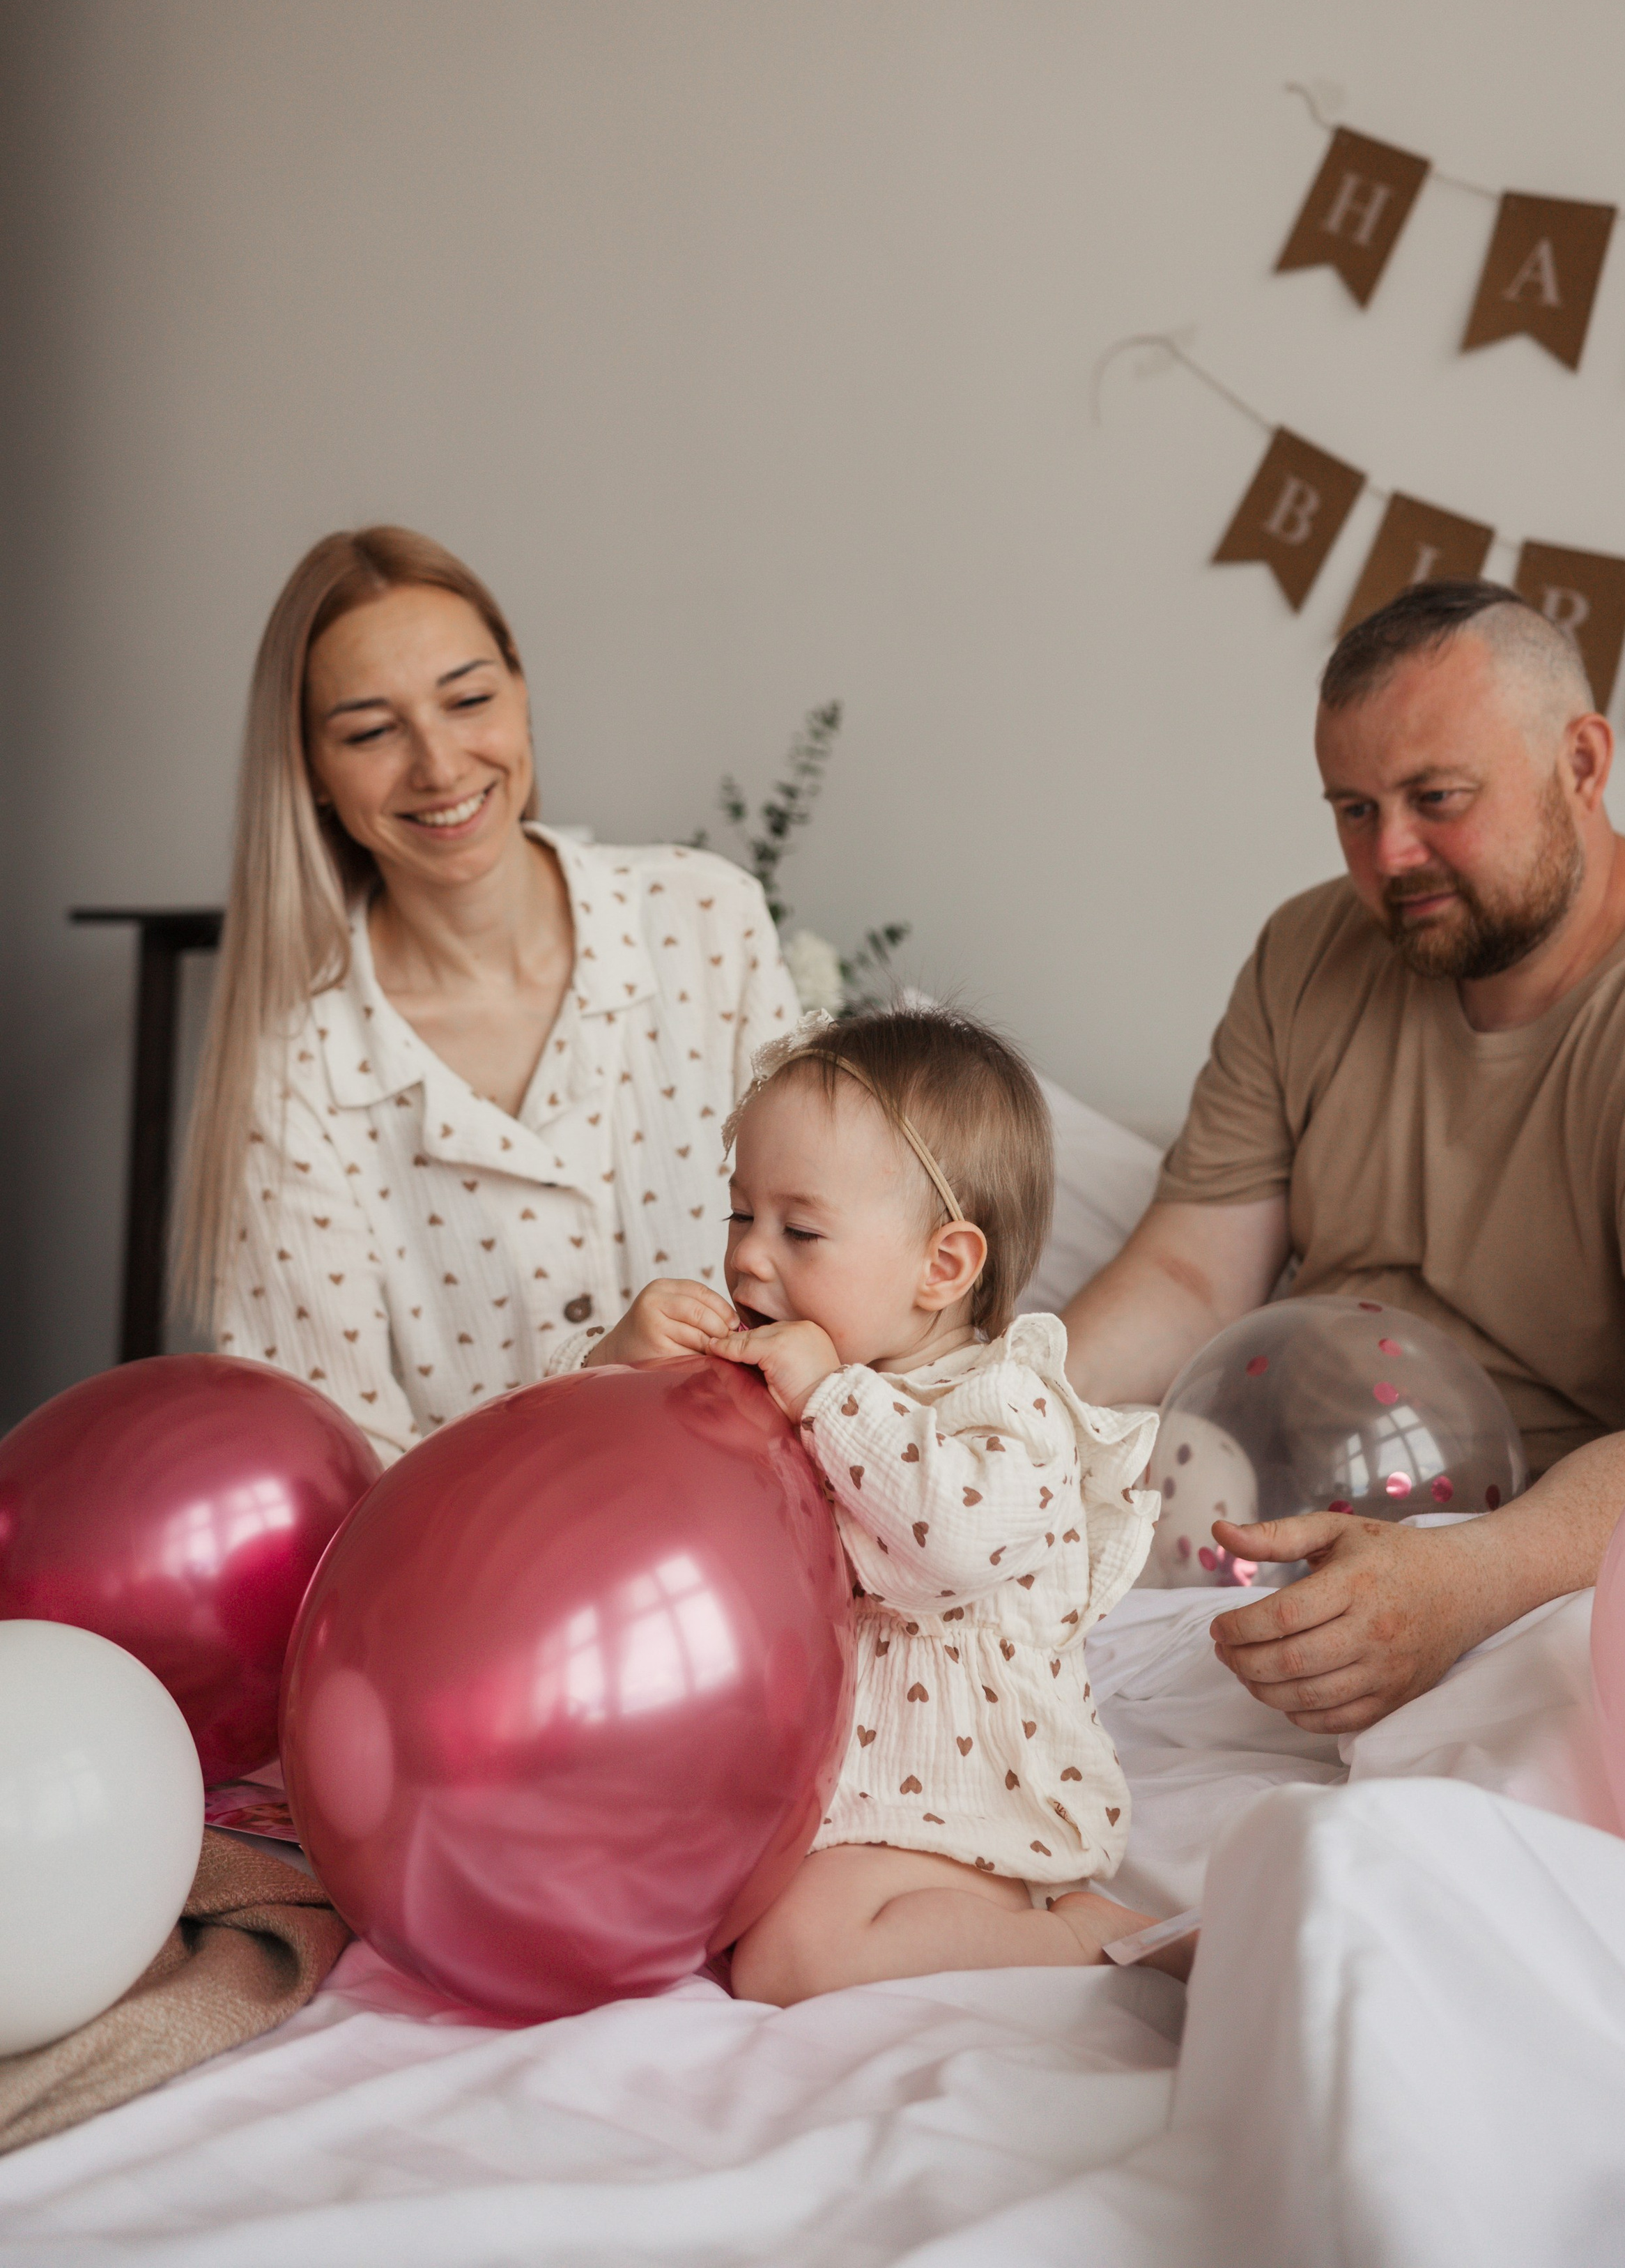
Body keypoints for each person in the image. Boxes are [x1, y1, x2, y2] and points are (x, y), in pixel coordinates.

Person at [1064, 579, 1625, 1734]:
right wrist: (994, 1415)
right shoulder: (1309, 952)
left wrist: (1466, 1579)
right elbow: (1191, 1276)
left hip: (1521, 1560)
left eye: (1436, 798)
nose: (1392, 854)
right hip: (1264, 1503)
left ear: (1583, 765)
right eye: (1353, 809)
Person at [562, 1008, 1184, 1998]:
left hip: (952, 1797)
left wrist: (831, 1399)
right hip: (796, 1784)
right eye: (740, 1216)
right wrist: (618, 1367)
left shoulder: (999, 1405)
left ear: (943, 1267)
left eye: (799, 1230)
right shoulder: (783, 1377)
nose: (750, 1259)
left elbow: (957, 1543)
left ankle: (1078, 1936)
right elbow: (595, 1503)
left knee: (790, 1961)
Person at [177, 526, 799, 1463]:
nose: (438, 766)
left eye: (468, 700)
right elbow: (332, 1458)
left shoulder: (706, 917)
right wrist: (594, 1376)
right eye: (372, 731)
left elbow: (843, 1275)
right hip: (472, 1581)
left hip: (770, 1529)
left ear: (521, 694)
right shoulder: (293, 1073)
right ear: (309, 767)